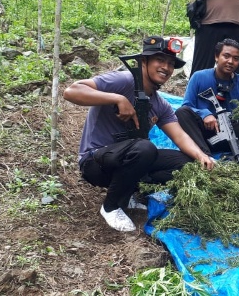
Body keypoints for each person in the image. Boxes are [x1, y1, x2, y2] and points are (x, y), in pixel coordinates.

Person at [63, 36, 215, 233]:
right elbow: (71, 91)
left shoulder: (160, 104)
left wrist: (202, 156)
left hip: (128, 158)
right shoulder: (123, 81)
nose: (166, 68)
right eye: (160, 60)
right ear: (144, 62)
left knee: (185, 162)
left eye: (170, 64)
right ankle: (111, 207)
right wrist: (116, 98)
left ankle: (129, 193)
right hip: (95, 162)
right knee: (145, 148)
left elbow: (180, 136)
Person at [175, 39, 239, 163]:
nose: (230, 61)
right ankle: (205, 157)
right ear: (216, 57)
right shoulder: (199, 77)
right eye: (226, 56)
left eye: (236, 58)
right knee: (182, 112)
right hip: (202, 136)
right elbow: (187, 105)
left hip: (232, 135)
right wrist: (204, 114)